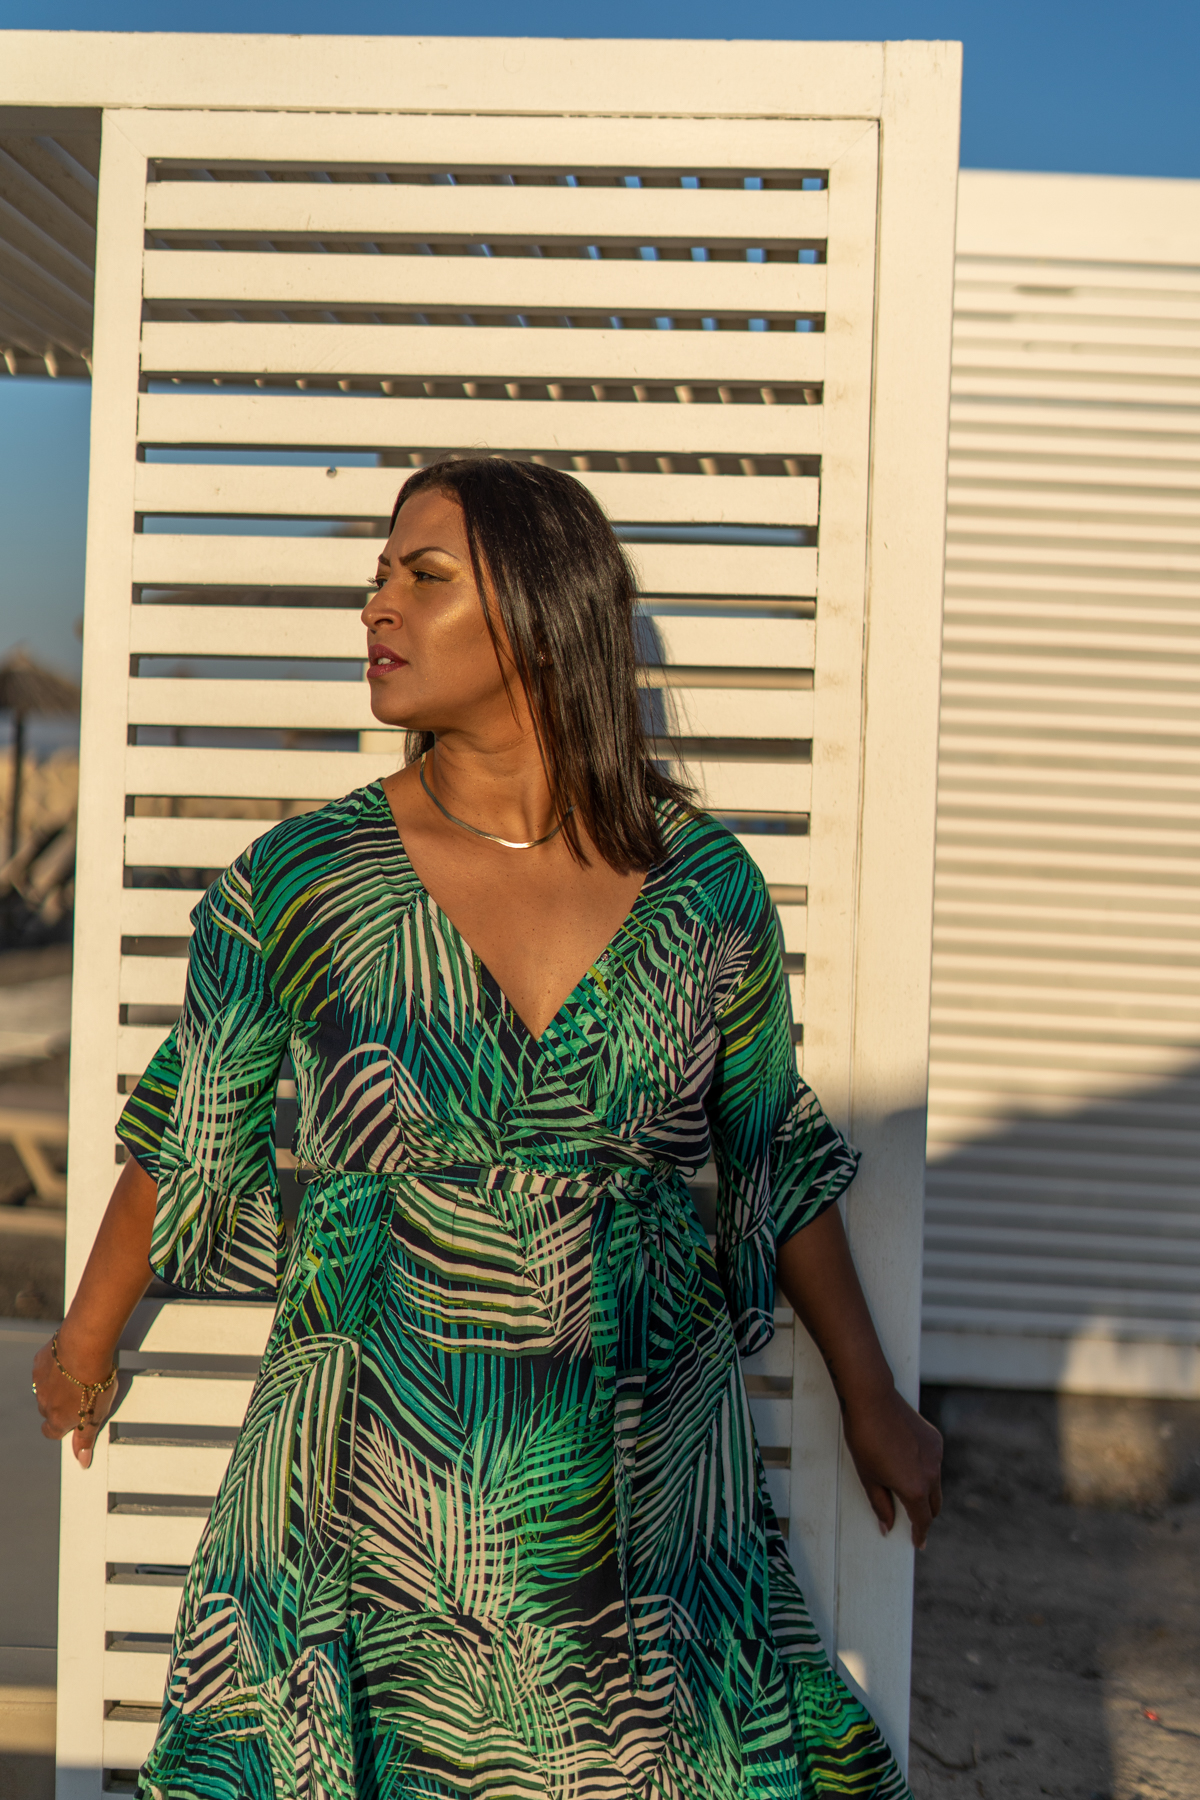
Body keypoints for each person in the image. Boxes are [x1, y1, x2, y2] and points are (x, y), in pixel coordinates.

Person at [33, 457, 941, 1800]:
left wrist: (871, 1396)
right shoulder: (302, 881)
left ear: (540, 611)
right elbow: (184, 1129)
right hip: (367, 1489)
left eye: (423, 575)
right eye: (378, 577)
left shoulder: (705, 889)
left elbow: (771, 1155)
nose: (376, 606)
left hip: (632, 1491)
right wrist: (83, 1341)